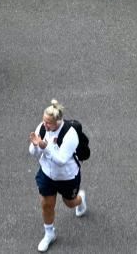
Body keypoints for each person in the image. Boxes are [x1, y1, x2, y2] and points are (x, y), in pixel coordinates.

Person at [28, 99, 86, 252]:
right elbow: (33, 152)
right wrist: (35, 146)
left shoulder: (70, 134)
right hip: (47, 174)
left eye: (49, 123)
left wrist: (45, 147)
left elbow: (61, 160)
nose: (45, 126)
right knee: (47, 204)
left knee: (70, 203)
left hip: (67, 176)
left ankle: (80, 199)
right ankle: (49, 234)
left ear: (58, 121)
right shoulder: (42, 128)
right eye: (44, 121)